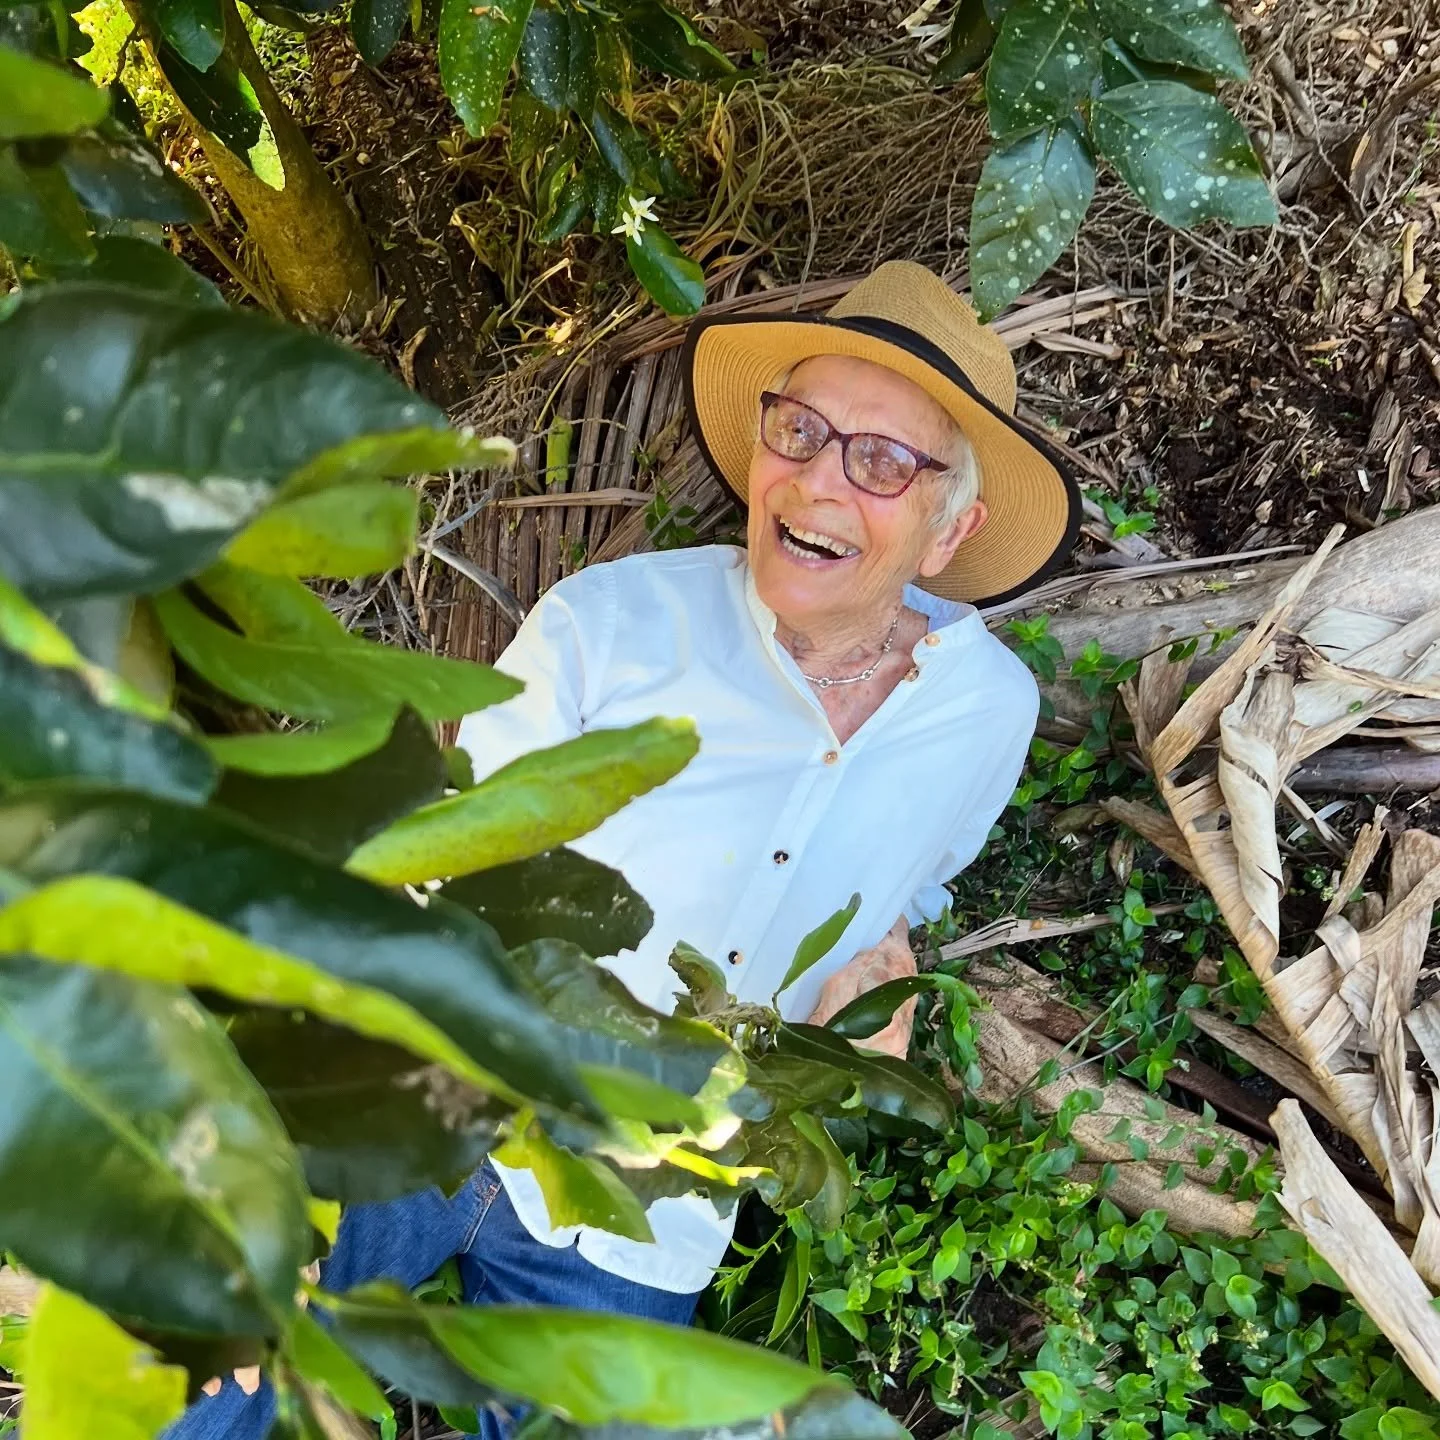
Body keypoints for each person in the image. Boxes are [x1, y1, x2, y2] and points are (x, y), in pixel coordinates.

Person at [169, 260, 1079, 1439]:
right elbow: (446, 875)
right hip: (438, 1100)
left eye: (882, 459)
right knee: (192, 1379)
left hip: (651, 1206)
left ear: (952, 527)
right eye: (798, 429)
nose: (815, 478)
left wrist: (879, 980)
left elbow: (923, 877)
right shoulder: (611, 627)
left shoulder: (987, 712)